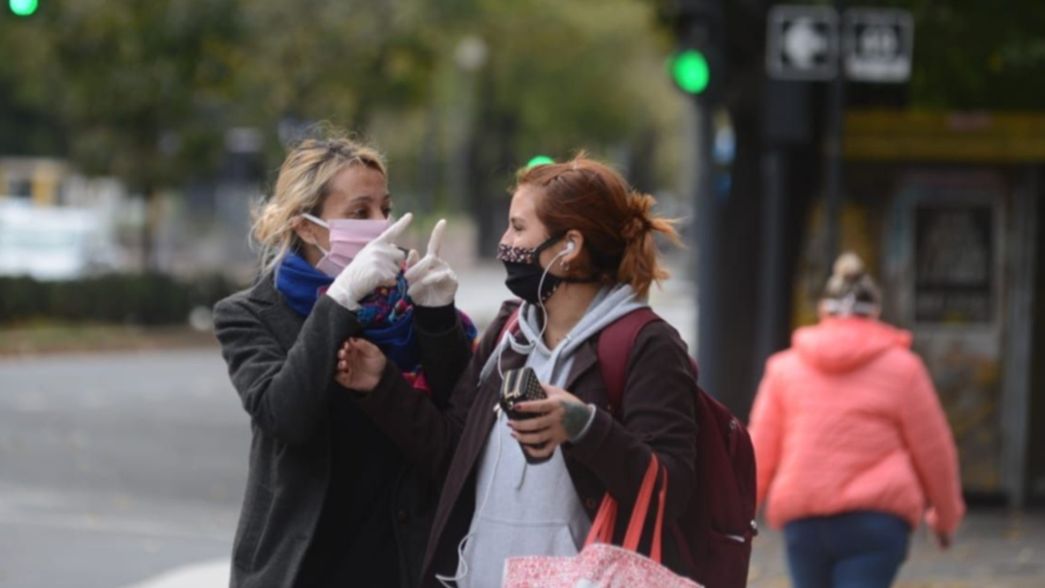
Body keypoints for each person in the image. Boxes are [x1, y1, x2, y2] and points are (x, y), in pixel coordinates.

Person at [335, 154, 701, 587]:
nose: (505, 242)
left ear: (569, 248)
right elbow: (453, 452)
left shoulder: (645, 345)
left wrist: (585, 427)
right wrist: (382, 386)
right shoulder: (510, 331)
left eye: (519, 228)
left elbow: (671, 490)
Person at [213, 135, 476, 588]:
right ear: (307, 227)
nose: (381, 224)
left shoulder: (407, 305)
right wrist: (339, 300)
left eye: (385, 209)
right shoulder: (249, 314)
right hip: (304, 565)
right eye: (359, 212)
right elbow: (285, 415)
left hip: (400, 560)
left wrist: (436, 316)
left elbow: (454, 428)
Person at [748, 252, 965, 588]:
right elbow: (934, 450)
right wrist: (945, 518)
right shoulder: (904, 368)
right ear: (875, 312)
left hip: (804, 522)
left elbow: (759, 450)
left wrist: (741, 516)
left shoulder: (784, 368)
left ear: (823, 311)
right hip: (877, 521)